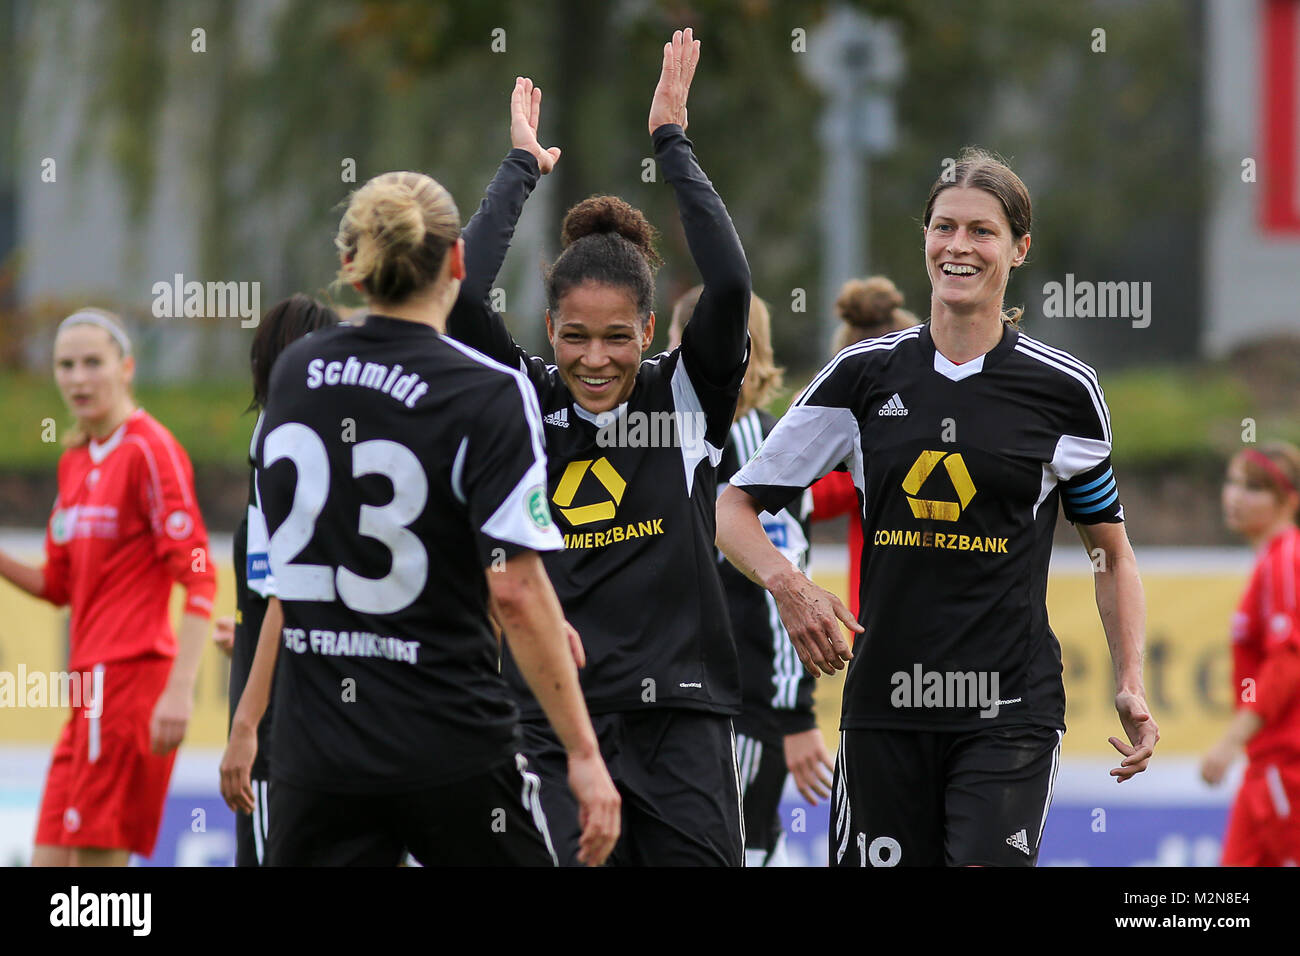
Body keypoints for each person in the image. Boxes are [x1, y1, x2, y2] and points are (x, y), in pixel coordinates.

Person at [717, 147, 1159, 867]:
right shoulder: (861, 377)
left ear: (1018, 248)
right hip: (884, 711)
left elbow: (1111, 554)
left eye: (981, 231)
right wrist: (789, 586)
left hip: (1010, 714)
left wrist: (1131, 681)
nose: (959, 246)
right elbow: (731, 506)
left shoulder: (1064, 392)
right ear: (924, 238)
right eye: (944, 227)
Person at [219, 165, 619, 867]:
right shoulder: (486, 390)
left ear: (350, 264)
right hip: (448, 742)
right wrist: (584, 754)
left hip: (318, 754)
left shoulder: (296, 374)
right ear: (457, 260)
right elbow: (514, 588)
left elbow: (300, 563)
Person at [449, 33, 751, 865]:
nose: (594, 358)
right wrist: (519, 169)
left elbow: (729, 285)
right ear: (549, 330)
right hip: (554, 725)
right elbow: (459, 295)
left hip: (682, 725)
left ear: (650, 330)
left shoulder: (684, 397)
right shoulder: (523, 399)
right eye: (574, 337)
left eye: (618, 337)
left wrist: (672, 140)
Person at [0, 308, 216, 866]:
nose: (77, 378)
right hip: (86, 694)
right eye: (64, 365)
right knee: (51, 863)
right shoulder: (74, 461)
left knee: (97, 875)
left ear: (126, 368)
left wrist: (179, 689)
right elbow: (57, 584)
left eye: (92, 362)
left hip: (128, 686)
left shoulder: (149, 449)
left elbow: (198, 573)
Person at [667, 287, 829, 866]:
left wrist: (793, 716)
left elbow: (784, 584)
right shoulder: (678, 443)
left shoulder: (758, 445)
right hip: (681, 701)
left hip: (745, 710)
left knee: (741, 852)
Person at [217, 295, 340, 866]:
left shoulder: (280, 441)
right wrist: (242, 626)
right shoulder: (338, 441)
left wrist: (246, 724)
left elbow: (287, 595)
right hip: (335, 710)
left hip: (283, 723)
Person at [1200, 442, 1300, 866]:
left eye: (1253, 487)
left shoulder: (1286, 559)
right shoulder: (1269, 562)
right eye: (1232, 482)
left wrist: (1229, 741)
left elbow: (1289, 659)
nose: (1235, 496)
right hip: (1264, 764)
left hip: (1287, 763)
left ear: (1289, 499)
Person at [809, 277, 919, 622]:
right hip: (943, 606)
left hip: (876, 608)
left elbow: (812, 499)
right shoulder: (933, 395)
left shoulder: (833, 403)